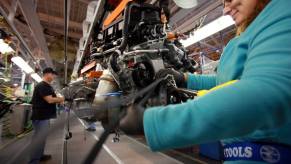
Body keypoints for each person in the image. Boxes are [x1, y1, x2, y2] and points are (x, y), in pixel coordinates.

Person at [120, 0, 291, 163]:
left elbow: (264, 94)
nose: (225, 9)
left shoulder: (283, 10)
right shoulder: (244, 35)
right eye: (224, 2)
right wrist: (186, 79)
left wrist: (153, 121)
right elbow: (225, 82)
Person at [29, 67, 64, 164]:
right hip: (40, 117)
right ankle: (34, 161)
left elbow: (52, 98)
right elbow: (50, 100)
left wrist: (58, 99)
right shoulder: (42, 86)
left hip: (44, 116)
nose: (53, 77)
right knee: (38, 139)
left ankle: (39, 156)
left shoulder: (47, 86)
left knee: (42, 138)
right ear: (47, 74)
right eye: (52, 74)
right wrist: (61, 99)